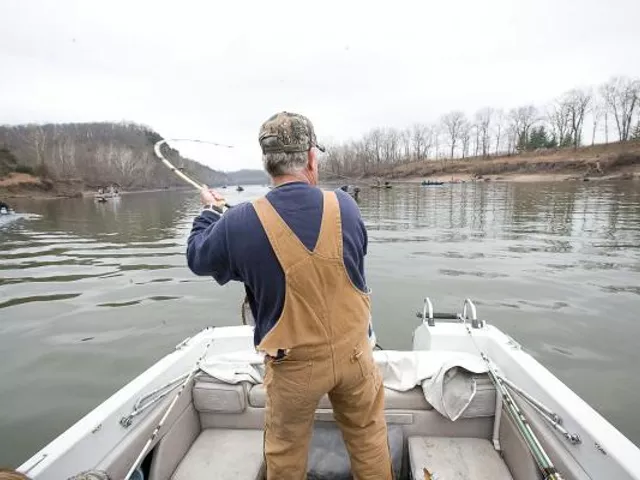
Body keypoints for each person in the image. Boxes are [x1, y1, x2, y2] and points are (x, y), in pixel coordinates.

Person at [187, 111, 392, 479]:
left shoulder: (239, 223)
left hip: (293, 369)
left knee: (285, 452)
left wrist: (209, 212)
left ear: (267, 164)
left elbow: (198, 258)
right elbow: (355, 260)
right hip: (356, 356)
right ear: (311, 157)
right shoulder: (346, 205)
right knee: (368, 438)